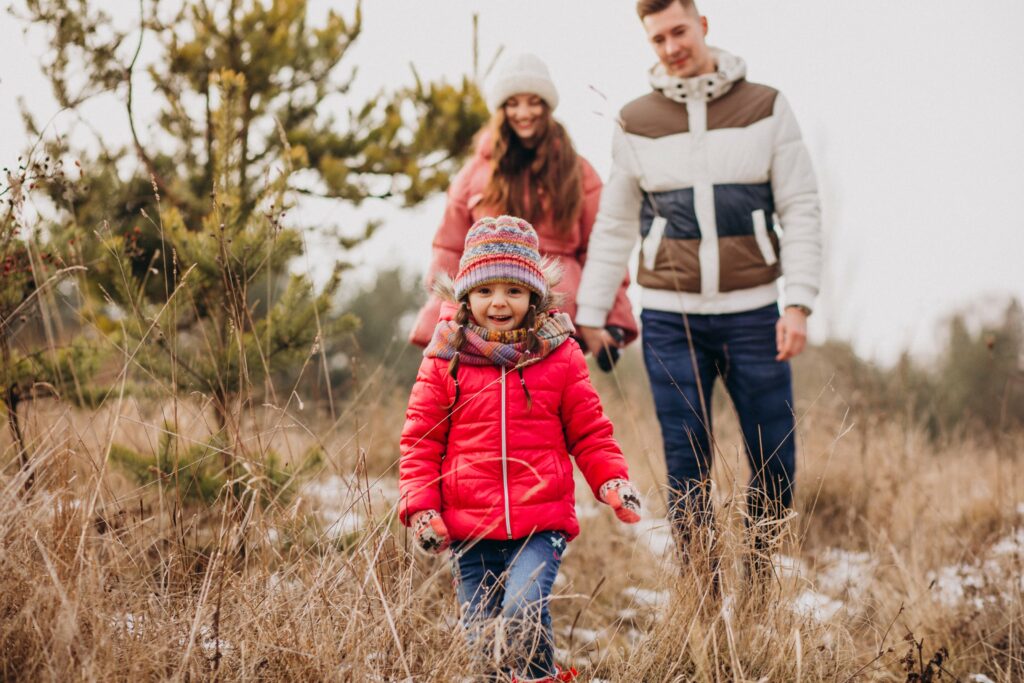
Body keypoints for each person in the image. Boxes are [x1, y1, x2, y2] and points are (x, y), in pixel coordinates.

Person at [574, 0, 823, 577]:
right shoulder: (634, 119)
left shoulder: (767, 106)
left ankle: (758, 581)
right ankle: (701, 593)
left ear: (703, 25)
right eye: (657, 39)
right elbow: (614, 223)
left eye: (679, 32)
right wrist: (591, 311)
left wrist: (799, 302)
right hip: (670, 316)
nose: (671, 47)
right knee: (687, 463)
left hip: (755, 312)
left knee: (775, 459)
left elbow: (801, 207)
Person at [399, 216, 642, 681]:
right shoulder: (444, 359)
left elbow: (589, 431)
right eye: (486, 290)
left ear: (535, 296)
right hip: (468, 528)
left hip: (539, 521)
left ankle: (535, 677)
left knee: (522, 611)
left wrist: (611, 480)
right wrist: (421, 509)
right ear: (465, 296)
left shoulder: (560, 355)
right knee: (484, 639)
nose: (499, 302)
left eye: (514, 290)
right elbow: (420, 442)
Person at [410, 53, 638, 368]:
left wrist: (607, 318)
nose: (524, 113)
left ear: (547, 106)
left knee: (554, 403)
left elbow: (602, 250)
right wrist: (443, 318)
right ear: (502, 110)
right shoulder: (475, 175)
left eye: (534, 102)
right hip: (490, 321)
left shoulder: (578, 172)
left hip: (560, 318)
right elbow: (450, 250)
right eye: (513, 103)